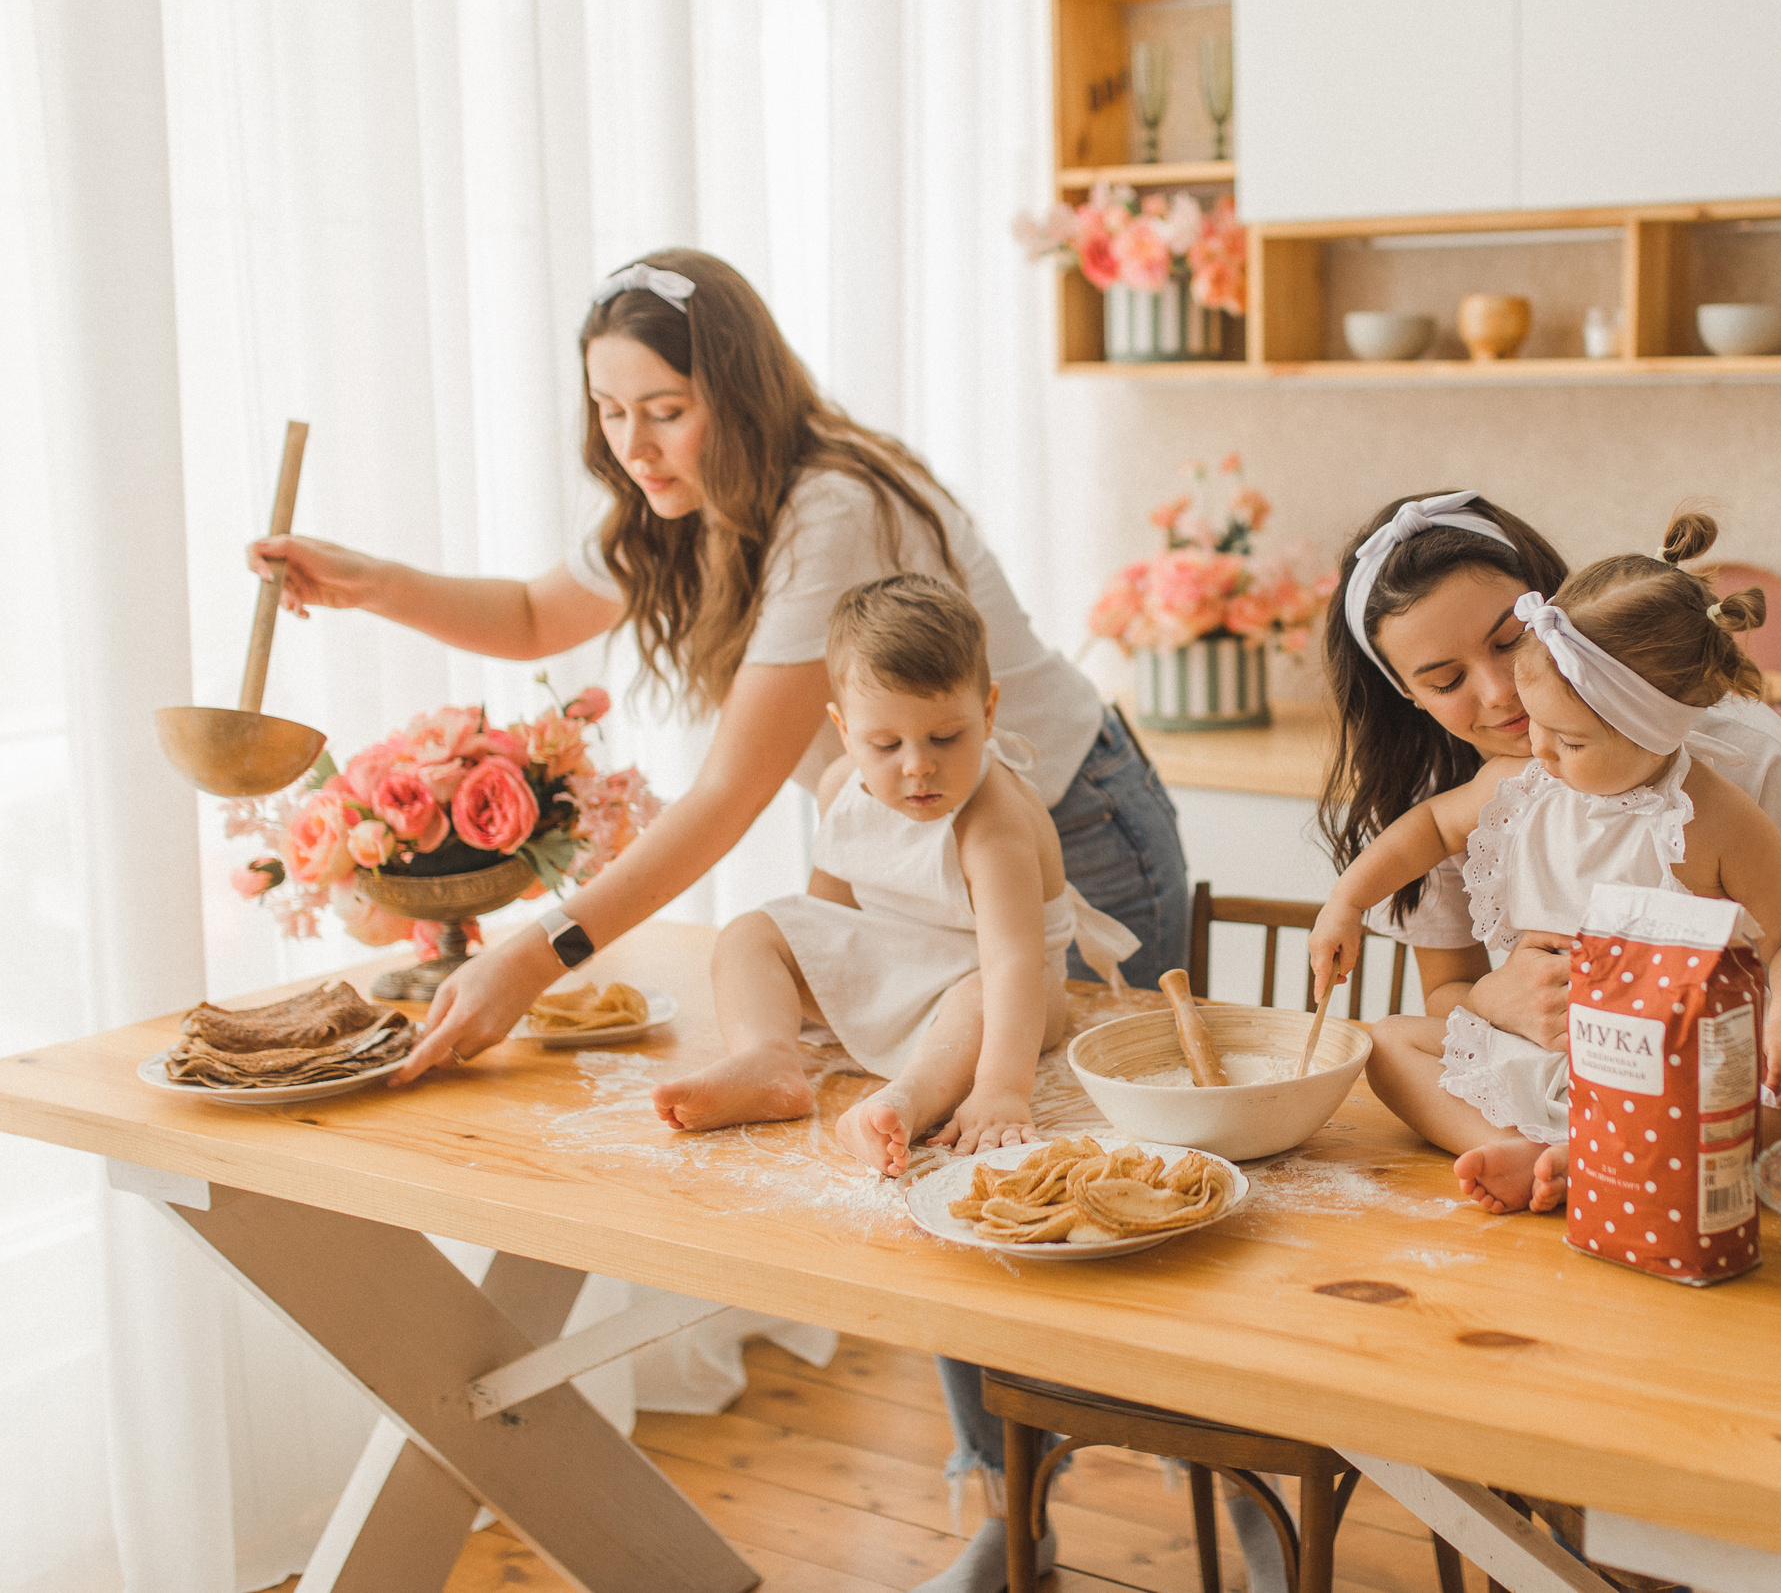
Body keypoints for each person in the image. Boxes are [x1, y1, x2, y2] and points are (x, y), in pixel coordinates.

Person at [250, 248, 1188, 1593]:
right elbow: (530, 612)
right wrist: (367, 578)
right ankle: (1008, 1518)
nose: (633, 443)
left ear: (735, 396)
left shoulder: (828, 509)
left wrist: (538, 947)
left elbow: (736, 788)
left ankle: (1238, 1493)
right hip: (899, 850)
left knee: (1114, 1191)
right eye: (610, 411)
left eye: (664, 408)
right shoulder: (675, 508)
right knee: (948, 1172)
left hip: (1061, 832)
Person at [1310, 515, 1781, 1214]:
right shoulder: (1522, 782)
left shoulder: (1719, 818)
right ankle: (1541, 1154)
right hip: (1551, 1051)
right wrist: (1345, 902)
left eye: (1568, 738)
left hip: (1675, 1067)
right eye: (1444, 677)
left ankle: (1597, 1159)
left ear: (1649, 726)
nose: (1535, 743)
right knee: (1386, 1045)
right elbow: (1430, 827)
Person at [653, 574, 1139, 1167]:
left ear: (987, 714)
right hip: (900, 963)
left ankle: (906, 1100)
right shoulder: (839, 787)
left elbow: (1013, 964)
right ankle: (767, 1058)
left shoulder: (993, 825)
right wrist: (817, 980)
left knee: (978, 998)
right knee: (750, 933)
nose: (917, 767)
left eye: (944, 737)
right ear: (844, 732)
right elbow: (825, 915)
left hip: (995, 986)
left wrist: (1001, 1092)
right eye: (885, 745)